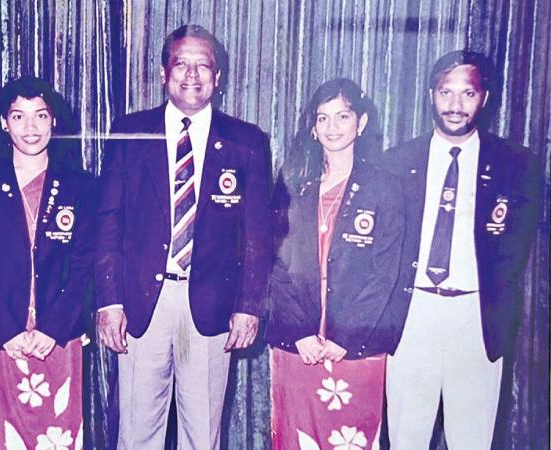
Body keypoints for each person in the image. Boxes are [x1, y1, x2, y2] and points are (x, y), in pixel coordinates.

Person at [94, 24, 272, 450]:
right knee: (137, 432)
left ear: (218, 76)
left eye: (203, 65)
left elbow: (258, 235)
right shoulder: (129, 131)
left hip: (212, 308)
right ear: (162, 72)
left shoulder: (247, 141)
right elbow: (107, 222)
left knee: (202, 433)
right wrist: (108, 300)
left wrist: (248, 306)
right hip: (141, 304)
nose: (192, 75)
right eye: (181, 64)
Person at [382, 50, 542, 449]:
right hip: (412, 314)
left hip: (475, 317)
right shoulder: (396, 163)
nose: (455, 106)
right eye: (445, 92)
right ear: (430, 95)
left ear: (484, 98)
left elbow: (515, 252)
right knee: (406, 435)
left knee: (472, 437)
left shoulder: (516, 165)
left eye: (467, 94)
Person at [265, 78, 405, 449]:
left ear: (361, 123)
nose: (332, 127)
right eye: (322, 118)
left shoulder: (384, 187)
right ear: (312, 127)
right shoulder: (293, 182)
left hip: (355, 346)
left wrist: (345, 337)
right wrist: (299, 331)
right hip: (299, 344)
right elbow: (274, 263)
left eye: (342, 116)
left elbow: (385, 273)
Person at [0, 76, 94, 449]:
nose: (30, 128)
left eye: (40, 116)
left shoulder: (80, 186)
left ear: (55, 121)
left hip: (58, 336)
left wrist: (51, 329)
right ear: (4, 123)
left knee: (58, 435)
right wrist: (8, 331)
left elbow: (83, 265)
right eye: (19, 117)